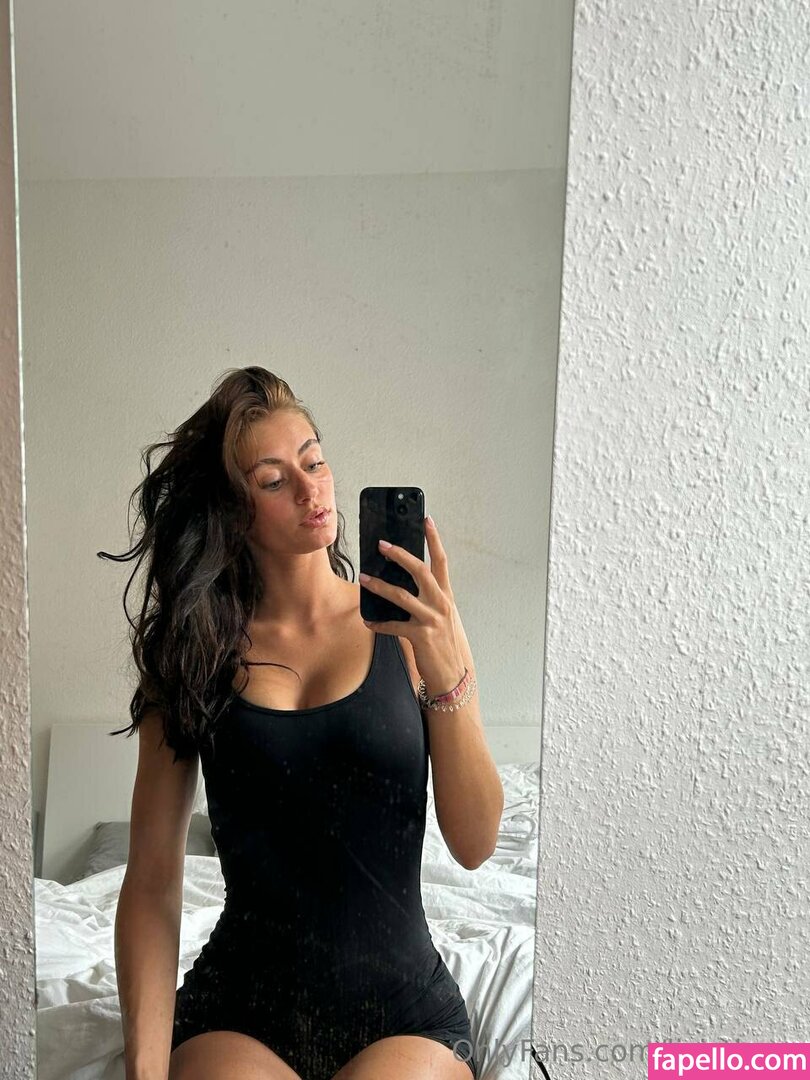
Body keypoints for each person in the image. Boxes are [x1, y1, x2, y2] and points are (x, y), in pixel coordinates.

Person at [108, 366, 504, 1080]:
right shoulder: (194, 653)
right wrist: (144, 1070)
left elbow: (475, 845)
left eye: (314, 462)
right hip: (239, 1015)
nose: (309, 489)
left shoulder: (418, 627)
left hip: (405, 1015)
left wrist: (447, 667)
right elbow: (153, 880)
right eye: (273, 479)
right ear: (234, 511)